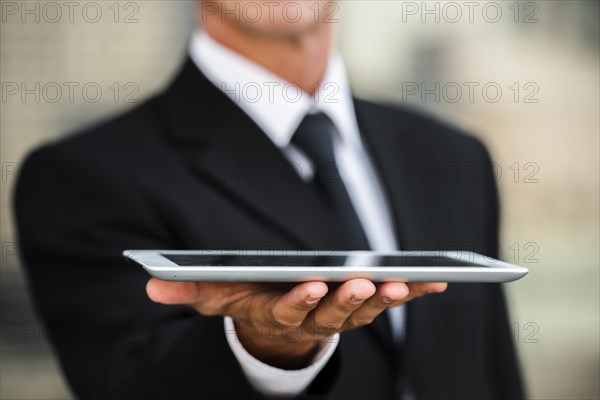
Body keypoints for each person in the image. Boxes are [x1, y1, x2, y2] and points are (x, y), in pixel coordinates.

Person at [14, 1, 524, 399]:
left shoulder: (451, 155)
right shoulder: (85, 174)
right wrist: (262, 347)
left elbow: (494, 371)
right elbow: (127, 385)